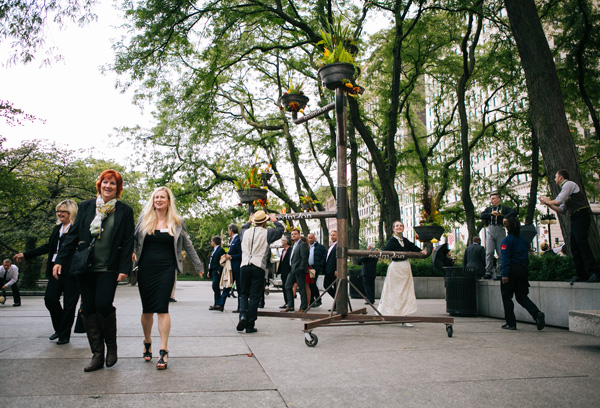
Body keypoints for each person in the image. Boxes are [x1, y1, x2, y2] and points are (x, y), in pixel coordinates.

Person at [53, 169, 134, 372]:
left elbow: (127, 241)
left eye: (113, 183)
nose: (108, 186)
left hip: (109, 266)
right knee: (88, 307)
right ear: (100, 185)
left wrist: (125, 267)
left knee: (103, 303)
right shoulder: (86, 206)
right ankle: (97, 355)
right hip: (85, 266)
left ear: (118, 188)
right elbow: (72, 236)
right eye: (105, 182)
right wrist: (60, 260)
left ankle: (111, 346)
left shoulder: (124, 210)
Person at [133, 187, 203, 370]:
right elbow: (133, 242)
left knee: (162, 308)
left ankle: (163, 350)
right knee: (147, 309)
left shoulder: (177, 222)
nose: (158, 200)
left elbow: (187, 244)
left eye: (162, 197)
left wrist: (199, 266)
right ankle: (147, 341)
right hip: (146, 269)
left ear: (168, 200)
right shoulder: (144, 220)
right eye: (156, 197)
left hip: (166, 269)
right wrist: (130, 256)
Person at [13, 200, 79, 343]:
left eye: (63, 211)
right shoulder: (57, 229)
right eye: (58, 211)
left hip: (72, 271)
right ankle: (60, 328)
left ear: (71, 212)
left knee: (69, 305)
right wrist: (26, 254)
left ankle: (64, 335)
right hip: (55, 270)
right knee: (50, 299)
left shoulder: (77, 229)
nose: (60, 214)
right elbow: (48, 247)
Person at [539, 169, 600, 284]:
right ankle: (580, 274)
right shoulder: (564, 190)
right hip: (575, 216)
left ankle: (595, 272)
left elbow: (558, 201)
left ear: (561, 177)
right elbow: (561, 210)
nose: (554, 179)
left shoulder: (568, 184)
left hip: (581, 214)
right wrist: (547, 203)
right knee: (574, 245)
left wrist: (548, 201)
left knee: (581, 242)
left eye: (556, 177)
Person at [237, 211, 284, 333]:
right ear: (264, 222)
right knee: (254, 296)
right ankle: (250, 324)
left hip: (244, 265)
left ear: (254, 222)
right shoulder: (267, 233)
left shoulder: (245, 232)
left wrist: (249, 220)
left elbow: (243, 227)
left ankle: (242, 315)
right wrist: (274, 220)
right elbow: (280, 230)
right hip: (258, 266)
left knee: (243, 293)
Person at [500, 218, 546, 331]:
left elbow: (505, 259)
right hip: (523, 270)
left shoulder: (506, 241)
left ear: (507, 228)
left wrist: (504, 275)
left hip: (511, 270)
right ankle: (536, 313)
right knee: (522, 297)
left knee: (507, 297)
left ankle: (511, 323)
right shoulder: (524, 241)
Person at [378, 220, 427, 325]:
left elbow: (413, 247)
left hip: (405, 268)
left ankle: (404, 316)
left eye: (401, 226)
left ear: (403, 228)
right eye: (397, 226)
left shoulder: (405, 240)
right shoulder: (392, 241)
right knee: (393, 292)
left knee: (405, 292)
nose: (399, 227)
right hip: (396, 268)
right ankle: (385, 314)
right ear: (393, 229)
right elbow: (385, 250)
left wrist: (421, 251)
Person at [480, 192, 517, 280]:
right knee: (489, 252)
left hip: (500, 229)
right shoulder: (489, 209)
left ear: (498, 199)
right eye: (491, 199)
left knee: (501, 252)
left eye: (493, 198)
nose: (491, 201)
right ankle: (488, 271)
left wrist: (506, 217)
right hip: (490, 229)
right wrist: (491, 214)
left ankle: (500, 272)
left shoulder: (504, 208)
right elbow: (482, 215)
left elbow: (514, 212)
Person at [282, 228, 309, 312]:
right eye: (292, 234)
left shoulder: (302, 244)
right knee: (287, 286)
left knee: (301, 288)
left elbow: (304, 258)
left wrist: (301, 268)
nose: (293, 235)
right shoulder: (294, 245)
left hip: (299, 270)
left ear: (299, 235)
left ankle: (303, 307)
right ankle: (290, 305)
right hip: (292, 269)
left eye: (295, 234)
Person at [225, 224, 242, 312]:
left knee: (239, 288)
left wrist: (230, 256)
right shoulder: (232, 240)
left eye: (228, 230)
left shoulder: (237, 240)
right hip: (232, 267)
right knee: (227, 286)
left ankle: (240, 307)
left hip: (237, 267)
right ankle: (220, 304)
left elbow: (240, 254)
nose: (228, 231)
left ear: (231, 230)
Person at [307, 233, 326, 307]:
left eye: (311, 238)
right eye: (309, 238)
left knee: (312, 283)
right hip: (308, 268)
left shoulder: (320, 247)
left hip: (315, 268)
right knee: (309, 284)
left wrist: (320, 264)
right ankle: (312, 300)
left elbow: (324, 255)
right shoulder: (306, 246)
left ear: (314, 238)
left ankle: (318, 300)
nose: (310, 239)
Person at [207, 236, 226, 311]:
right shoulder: (214, 250)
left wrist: (219, 270)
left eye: (212, 241)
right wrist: (209, 271)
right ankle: (216, 303)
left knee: (215, 286)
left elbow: (222, 261)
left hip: (217, 271)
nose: (211, 243)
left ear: (214, 242)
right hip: (213, 270)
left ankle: (218, 303)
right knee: (215, 287)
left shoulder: (220, 250)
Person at [277, 235, 292, 308]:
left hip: (288, 271)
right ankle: (286, 302)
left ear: (286, 242)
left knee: (288, 287)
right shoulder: (283, 250)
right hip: (283, 271)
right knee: (284, 287)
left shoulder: (291, 250)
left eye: (282, 240)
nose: (281, 242)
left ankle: (290, 303)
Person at [323, 230, 338, 306]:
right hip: (328, 270)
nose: (332, 237)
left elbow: (338, 259)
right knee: (326, 285)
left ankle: (337, 303)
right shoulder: (331, 246)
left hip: (333, 270)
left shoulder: (338, 246)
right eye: (331, 235)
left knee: (336, 287)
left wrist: (337, 269)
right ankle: (337, 301)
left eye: (334, 235)